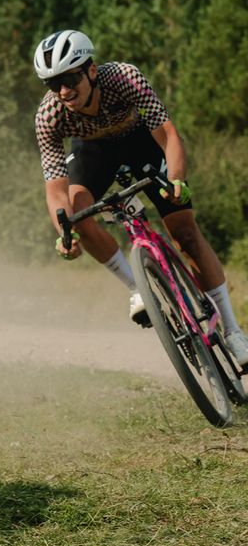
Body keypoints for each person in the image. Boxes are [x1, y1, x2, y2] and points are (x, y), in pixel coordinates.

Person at [33, 29, 248, 365]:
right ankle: (138, 288)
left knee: (185, 233)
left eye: (70, 78)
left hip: (139, 141)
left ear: (91, 69)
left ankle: (233, 331)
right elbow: (55, 189)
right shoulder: (49, 116)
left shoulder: (124, 78)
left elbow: (169, 135)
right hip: (93, 154)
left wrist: (176, 181)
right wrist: (65, 233)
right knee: (77, 214)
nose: (63, 90)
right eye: (52, 83)